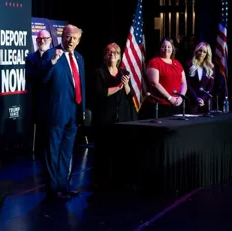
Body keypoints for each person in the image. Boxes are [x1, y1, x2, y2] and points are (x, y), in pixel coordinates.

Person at [40, 24, 86, 199]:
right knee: (53, 151)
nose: (70, 41)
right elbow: (43, 79)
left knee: (67, 151)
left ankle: (64, 186)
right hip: (56, 112)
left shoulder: (80, 58)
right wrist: (52, 62)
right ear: (62, 36)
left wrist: (82, 109)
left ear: (79, 40)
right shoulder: (51, 54)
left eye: (74, 38)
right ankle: (53, 189)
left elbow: (81, 85)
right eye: (68, 37)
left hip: (74, 112)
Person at [92, 42, 138, 185]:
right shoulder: (99, 72)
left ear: (119, 57)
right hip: (105, 117)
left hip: (122, 116)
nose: (112, 55)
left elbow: (131, 95)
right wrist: (118, 86)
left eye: (115, 53)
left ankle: (120, 179)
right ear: (105, 55)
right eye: (109, 52)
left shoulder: (125, 73)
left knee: (121, 149)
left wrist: (124, 86)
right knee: (105, 149)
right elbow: (100, 93)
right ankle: (103, 180)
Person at [139, 38, 187, 119]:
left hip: (176, 104)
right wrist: (169, 98)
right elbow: (154, 83)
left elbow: (184, 83)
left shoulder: (177, 63)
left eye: (169, 47)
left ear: (173, 49)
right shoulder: (154, 62)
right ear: (160, 48)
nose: (166, 49)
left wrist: (181, 97)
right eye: (163, 46)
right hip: (159, 105)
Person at [25, 30, 52, 158]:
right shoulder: (31, 58)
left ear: (50, 40)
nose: (42, 41)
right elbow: (32, 76)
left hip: (53, 99)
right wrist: (49, 66)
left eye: (45, 39)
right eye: (40, 39)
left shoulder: (56, 55)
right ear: (36, 41)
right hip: (38, 99)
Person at [186, 41, 215, 114]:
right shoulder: (189, 64)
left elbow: (210, 86)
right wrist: (196, 98)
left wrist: (203, 99)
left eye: (204, 52)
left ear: (207, 54)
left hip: (206, 102)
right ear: (196, 50)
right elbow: (188, 84)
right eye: (200, 50)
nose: (202, 53)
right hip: (192, 101)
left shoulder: (211, 67)